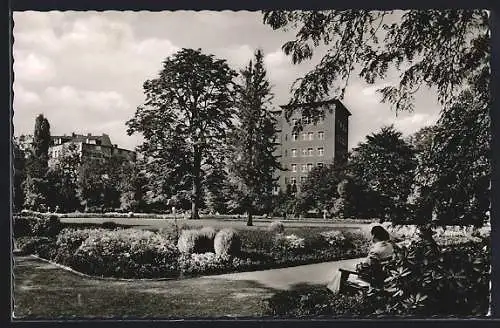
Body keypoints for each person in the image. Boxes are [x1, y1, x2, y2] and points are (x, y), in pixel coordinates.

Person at [327, 225, 394, 293]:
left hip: (372, 279)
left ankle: (333, 291)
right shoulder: (390, 246)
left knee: (341, 271)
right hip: (385, 276)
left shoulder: (375, 251)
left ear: (373, 235)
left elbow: (366, 267)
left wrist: (359, 266)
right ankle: (333, 290)